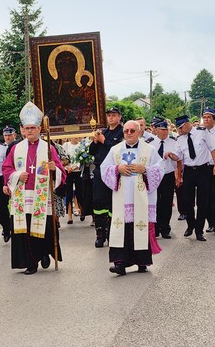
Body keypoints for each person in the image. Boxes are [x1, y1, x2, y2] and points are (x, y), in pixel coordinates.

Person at [2, 102, 66, 275]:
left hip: (42, 197)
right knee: (25, 231)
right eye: (27, 128)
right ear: (22, 130)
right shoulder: (16, 149)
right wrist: (16, 176)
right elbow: (6, 169)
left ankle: (44, 253)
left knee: (43, 228)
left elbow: (62, 172)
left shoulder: (49, 148)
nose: (30, 131)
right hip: (22, 197)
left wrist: (54, 169)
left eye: (33, 127)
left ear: (39, 129)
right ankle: (31, 263)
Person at [100, 120, 166, 275]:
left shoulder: (149, 150)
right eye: (126, 131)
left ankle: (142, 262)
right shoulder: (115, 150)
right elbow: (104, 169)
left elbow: (160, 169)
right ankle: (120, 264)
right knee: (121, 228)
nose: (129, 133)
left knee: (140, 226)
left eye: (132, 131)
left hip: (142, 197)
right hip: (122, 197)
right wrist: (117, 168)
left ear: (139, 132)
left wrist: (145, 169)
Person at [174, 114, 215, 241]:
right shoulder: (180, 139)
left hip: (203, 170)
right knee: (187, 201)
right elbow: (177, 156)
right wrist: (170, 155)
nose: (179, 131)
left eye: (181, 128)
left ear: (187, 124)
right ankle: (190, 225)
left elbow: (213, 148)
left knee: (202, 201)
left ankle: (199, 230)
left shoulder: (202, 132)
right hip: (189, 171)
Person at [89, 107, 124, 247]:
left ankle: (111, 233)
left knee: (112, 203)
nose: (111, 118)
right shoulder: (103, 131)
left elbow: (119, 150)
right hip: (99, 172)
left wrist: (104, 141)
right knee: (98, 203)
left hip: (114, 171)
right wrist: (95, 141)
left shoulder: (122, 132)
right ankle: (100, 234)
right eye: (109, 115)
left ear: (119, 117)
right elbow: (92, 152)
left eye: (113, 115)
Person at [148, 119, 182, 238]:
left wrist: (178, 176)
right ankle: (155, 228)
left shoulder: (174, 141)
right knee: (155, 202)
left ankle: (165, 228)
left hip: (168, 175)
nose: (165, 132)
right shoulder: (150, 143)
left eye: (166, 129)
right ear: (156, 130)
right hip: (154, 176)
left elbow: (179, 159)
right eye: (162, 130)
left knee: (167, 202)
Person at [62, 137, 83, 224]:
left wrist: (75, 167)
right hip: (68, 171)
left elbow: (81, 159)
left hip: (77, 171)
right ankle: (70, 215)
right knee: (69, 193)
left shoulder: (81, 146)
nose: (77, 138)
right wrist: (66, 167)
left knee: (79, 192)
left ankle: (81, 210)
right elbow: (62, 158)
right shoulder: (65, 146)